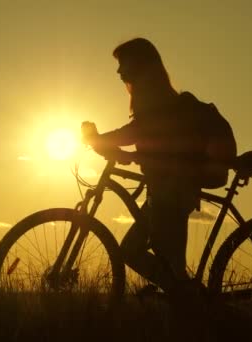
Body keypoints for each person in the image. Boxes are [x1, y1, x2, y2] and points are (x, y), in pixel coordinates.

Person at [82, 38, 209, 296]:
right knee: (142, 256)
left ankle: (201, 306)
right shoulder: (155, 96)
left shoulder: (154, 96)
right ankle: (190, 300)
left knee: (166, 267)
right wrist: (120, 152)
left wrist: (101, 140)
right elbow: (148, 139)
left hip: (171, 190)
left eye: (123, 64)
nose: (119, 72)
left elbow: (140, 132)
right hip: (166, 189)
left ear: (139, 64)